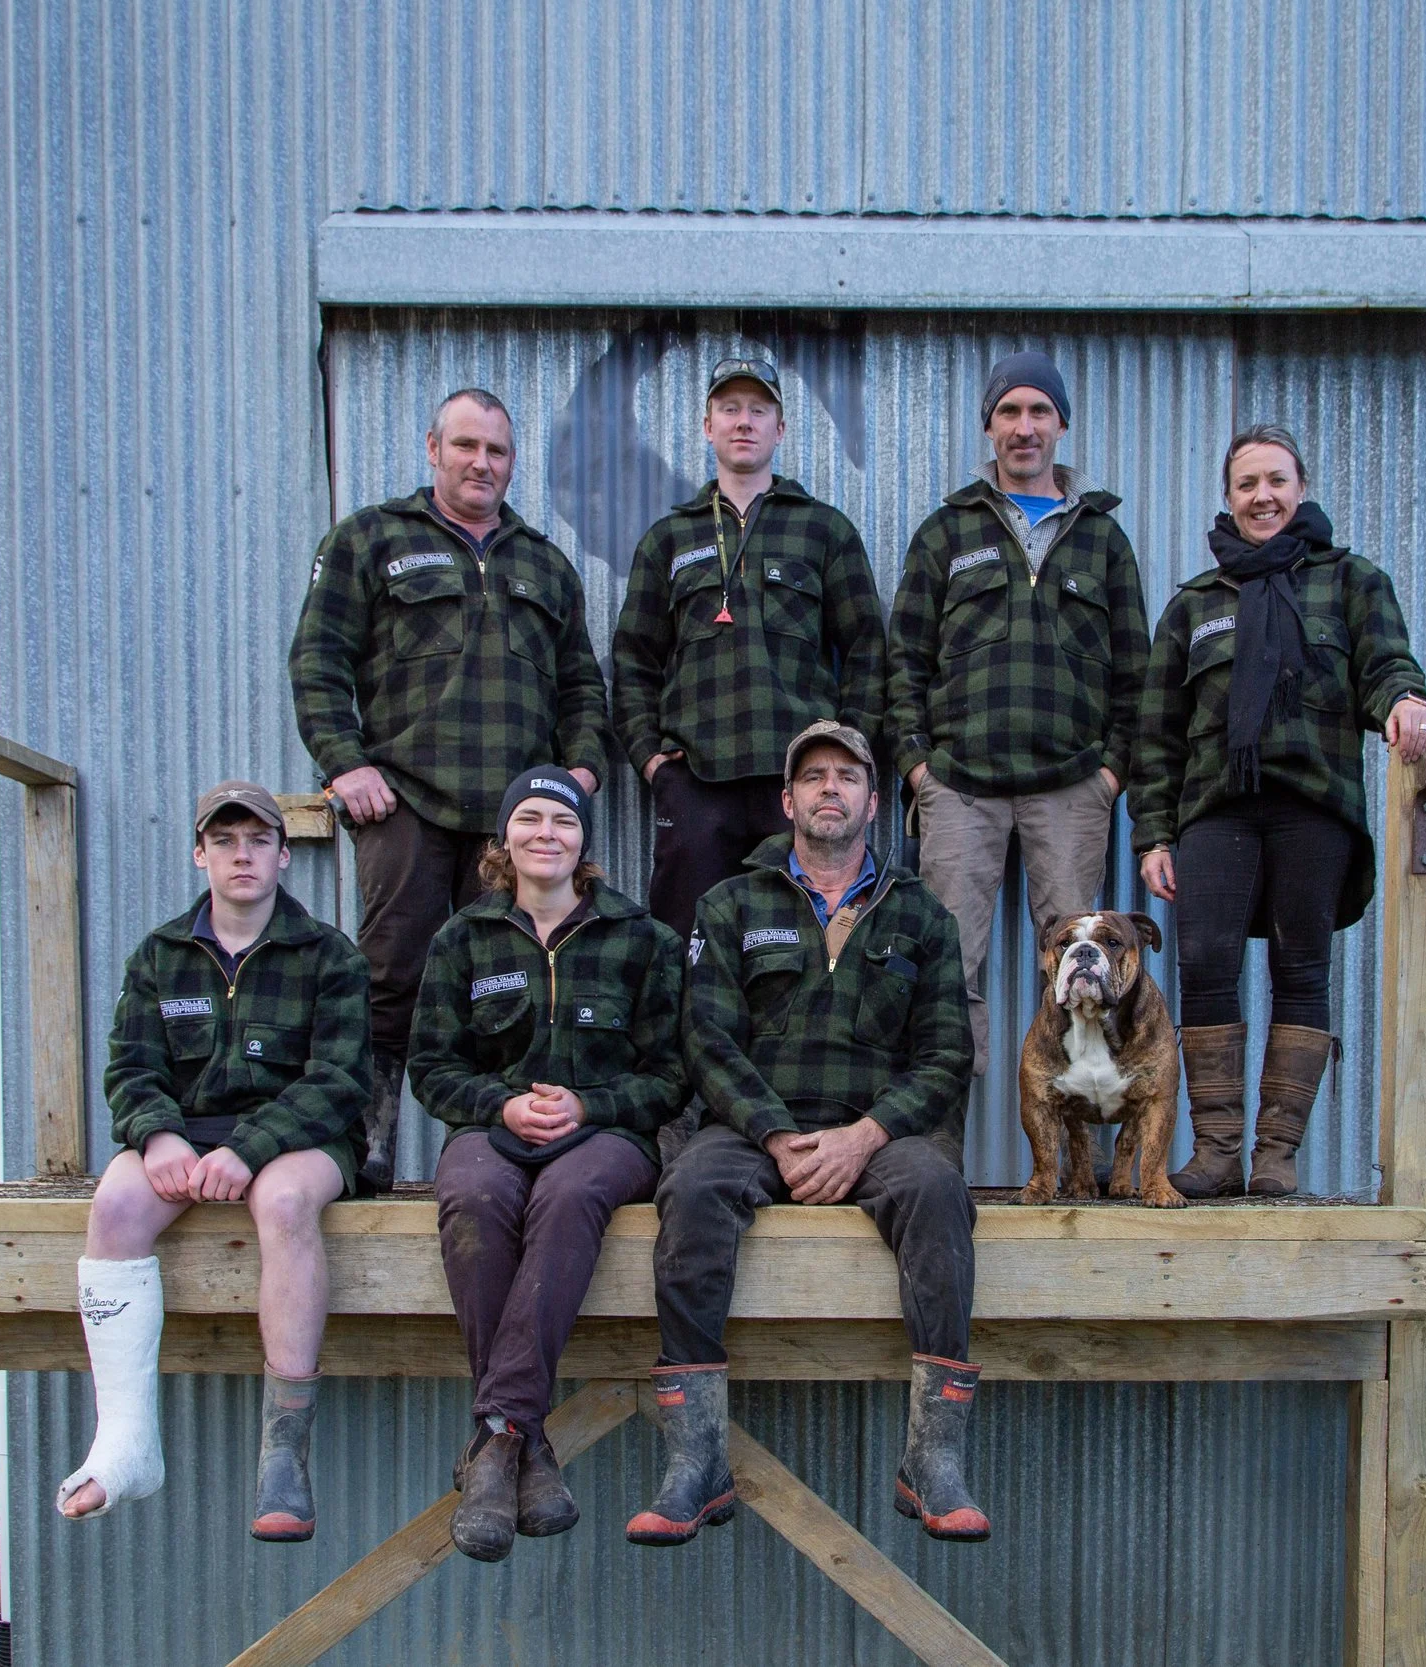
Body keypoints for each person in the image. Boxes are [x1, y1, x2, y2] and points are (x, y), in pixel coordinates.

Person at [627, 721, 986, 1547]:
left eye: (848, 776)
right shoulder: (729, 904)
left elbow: (943, 1055)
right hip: (754, 1128)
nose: (831, 788)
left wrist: (865, 1136)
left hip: (879, 1132)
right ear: (787, 800)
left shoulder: (923, 917)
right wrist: (777, 1136)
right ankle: (696, 1462)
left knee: (937, 1190)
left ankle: (933, 1460)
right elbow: (705, 1041)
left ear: (872, 800)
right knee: (689, 1188)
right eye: (814, 776)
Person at [290, 388, 613, 1193]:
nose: (481, 463)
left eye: (497, 451)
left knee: (509, 979)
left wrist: (581, 770)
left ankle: (499, 1151)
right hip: (404, 802)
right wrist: (342, 762)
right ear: (432, 447)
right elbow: (318, 660)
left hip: (514, 818)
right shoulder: (370, 538)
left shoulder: (544, 562)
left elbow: (581, 685)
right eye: (466, 445)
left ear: (512, 461)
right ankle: (364, 1148)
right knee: (391, 975)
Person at [58, 782, 372, 1542]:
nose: (242, 854)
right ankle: (126, 1440)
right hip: (188, 1131)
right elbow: (131, 1068)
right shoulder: (160, 955)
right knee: (116, 1203)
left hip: (300, 1140)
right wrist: (158, 1135)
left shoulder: (329, 954)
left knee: (285, 1202)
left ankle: (284, 1454)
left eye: (258, 840)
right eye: (225, 840)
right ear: (200, 853)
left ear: (282, 855)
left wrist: (249, 1148)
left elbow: (338, 1079)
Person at [1131, 423, 1426, 1198]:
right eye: (1246, 485)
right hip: (1216, 810)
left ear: (1300, 488)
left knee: (1303, 969)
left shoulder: (1351, 581)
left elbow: (1385, 662)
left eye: (1276, 481)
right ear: (1228, 499)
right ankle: (1218, 1152)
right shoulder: (1195, 604)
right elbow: (1157, 732)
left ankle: (1275, 1155)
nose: (1262, 496)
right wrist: (1155, 832)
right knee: (1204, 966)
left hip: (1314, 804)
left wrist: (1402, 699)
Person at [408, 767, 687, 1562]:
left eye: (563, 822)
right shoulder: (462, 939)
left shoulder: (644, 939)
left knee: (569, 1193)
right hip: (489, 1129)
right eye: (528, 819)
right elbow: (430, 1067)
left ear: (585, 842)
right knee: (470, 1192)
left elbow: (672, 1074)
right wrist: (499, 1104)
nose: (546, 833)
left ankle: (494, 1436)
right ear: (505, 838)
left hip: (606, 1137)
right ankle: (522, 1445)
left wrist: (589, 1105)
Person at [885, 350, 1151, 1082]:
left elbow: (1137, 672)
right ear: (990, 427)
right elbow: (903, 657)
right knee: (947, 967)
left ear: (1061, 425)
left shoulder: (1103, 539)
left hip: (1071, 786)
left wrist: (1110, 771)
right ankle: (939, 1148)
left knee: (1081, 973)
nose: (1024, 427)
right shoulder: (947, 531)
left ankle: (1070, 1148)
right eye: (1009, 412)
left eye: (1039, 411)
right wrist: (918, 765)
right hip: (960, 786)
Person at [611, 355, 886, 936]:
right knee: (687, 944)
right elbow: (634, 659)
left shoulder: (823, 530)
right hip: (696, 785)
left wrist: (845, 758)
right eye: (729, 409)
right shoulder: (668, 538)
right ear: (707, 426)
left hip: (797, 787)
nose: (744, 422)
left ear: (779, 430)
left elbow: (867, 649)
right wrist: (653, 762)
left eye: (758, 410)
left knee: (800, 943)